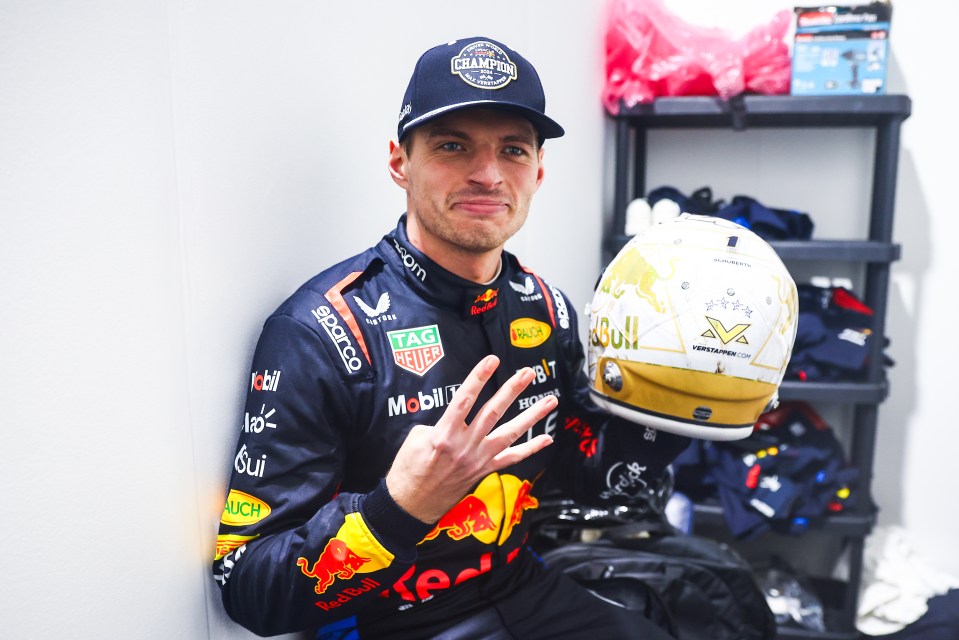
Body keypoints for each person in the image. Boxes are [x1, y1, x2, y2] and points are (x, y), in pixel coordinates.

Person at [213, 36, 691, 639]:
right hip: (380, 623)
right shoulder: (321, 331)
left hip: (520, 587)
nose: (488, 174)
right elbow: (247, 589)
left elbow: (580, 473)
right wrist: (400, 506)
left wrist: (675, 409)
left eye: (512, 150)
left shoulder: (546, 307)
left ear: (537, 172)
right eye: (452, 146)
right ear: (399, 163)